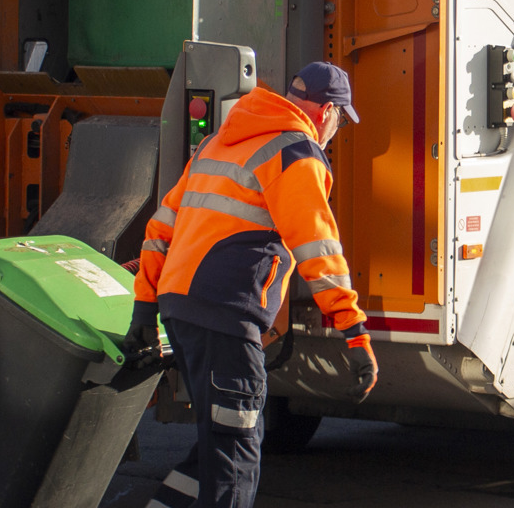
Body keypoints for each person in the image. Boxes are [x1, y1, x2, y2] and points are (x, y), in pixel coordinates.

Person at [128, 61, 377, 508]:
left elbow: (161, 227)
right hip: (227, 315)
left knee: (215, 448)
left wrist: (144, 312)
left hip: (181, 311)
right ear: (325, 112)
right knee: (236, 456)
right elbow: (318, 246)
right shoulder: (295, 150)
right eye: (341, 118)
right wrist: (353, 330)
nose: (337, 129)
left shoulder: (217, 142)